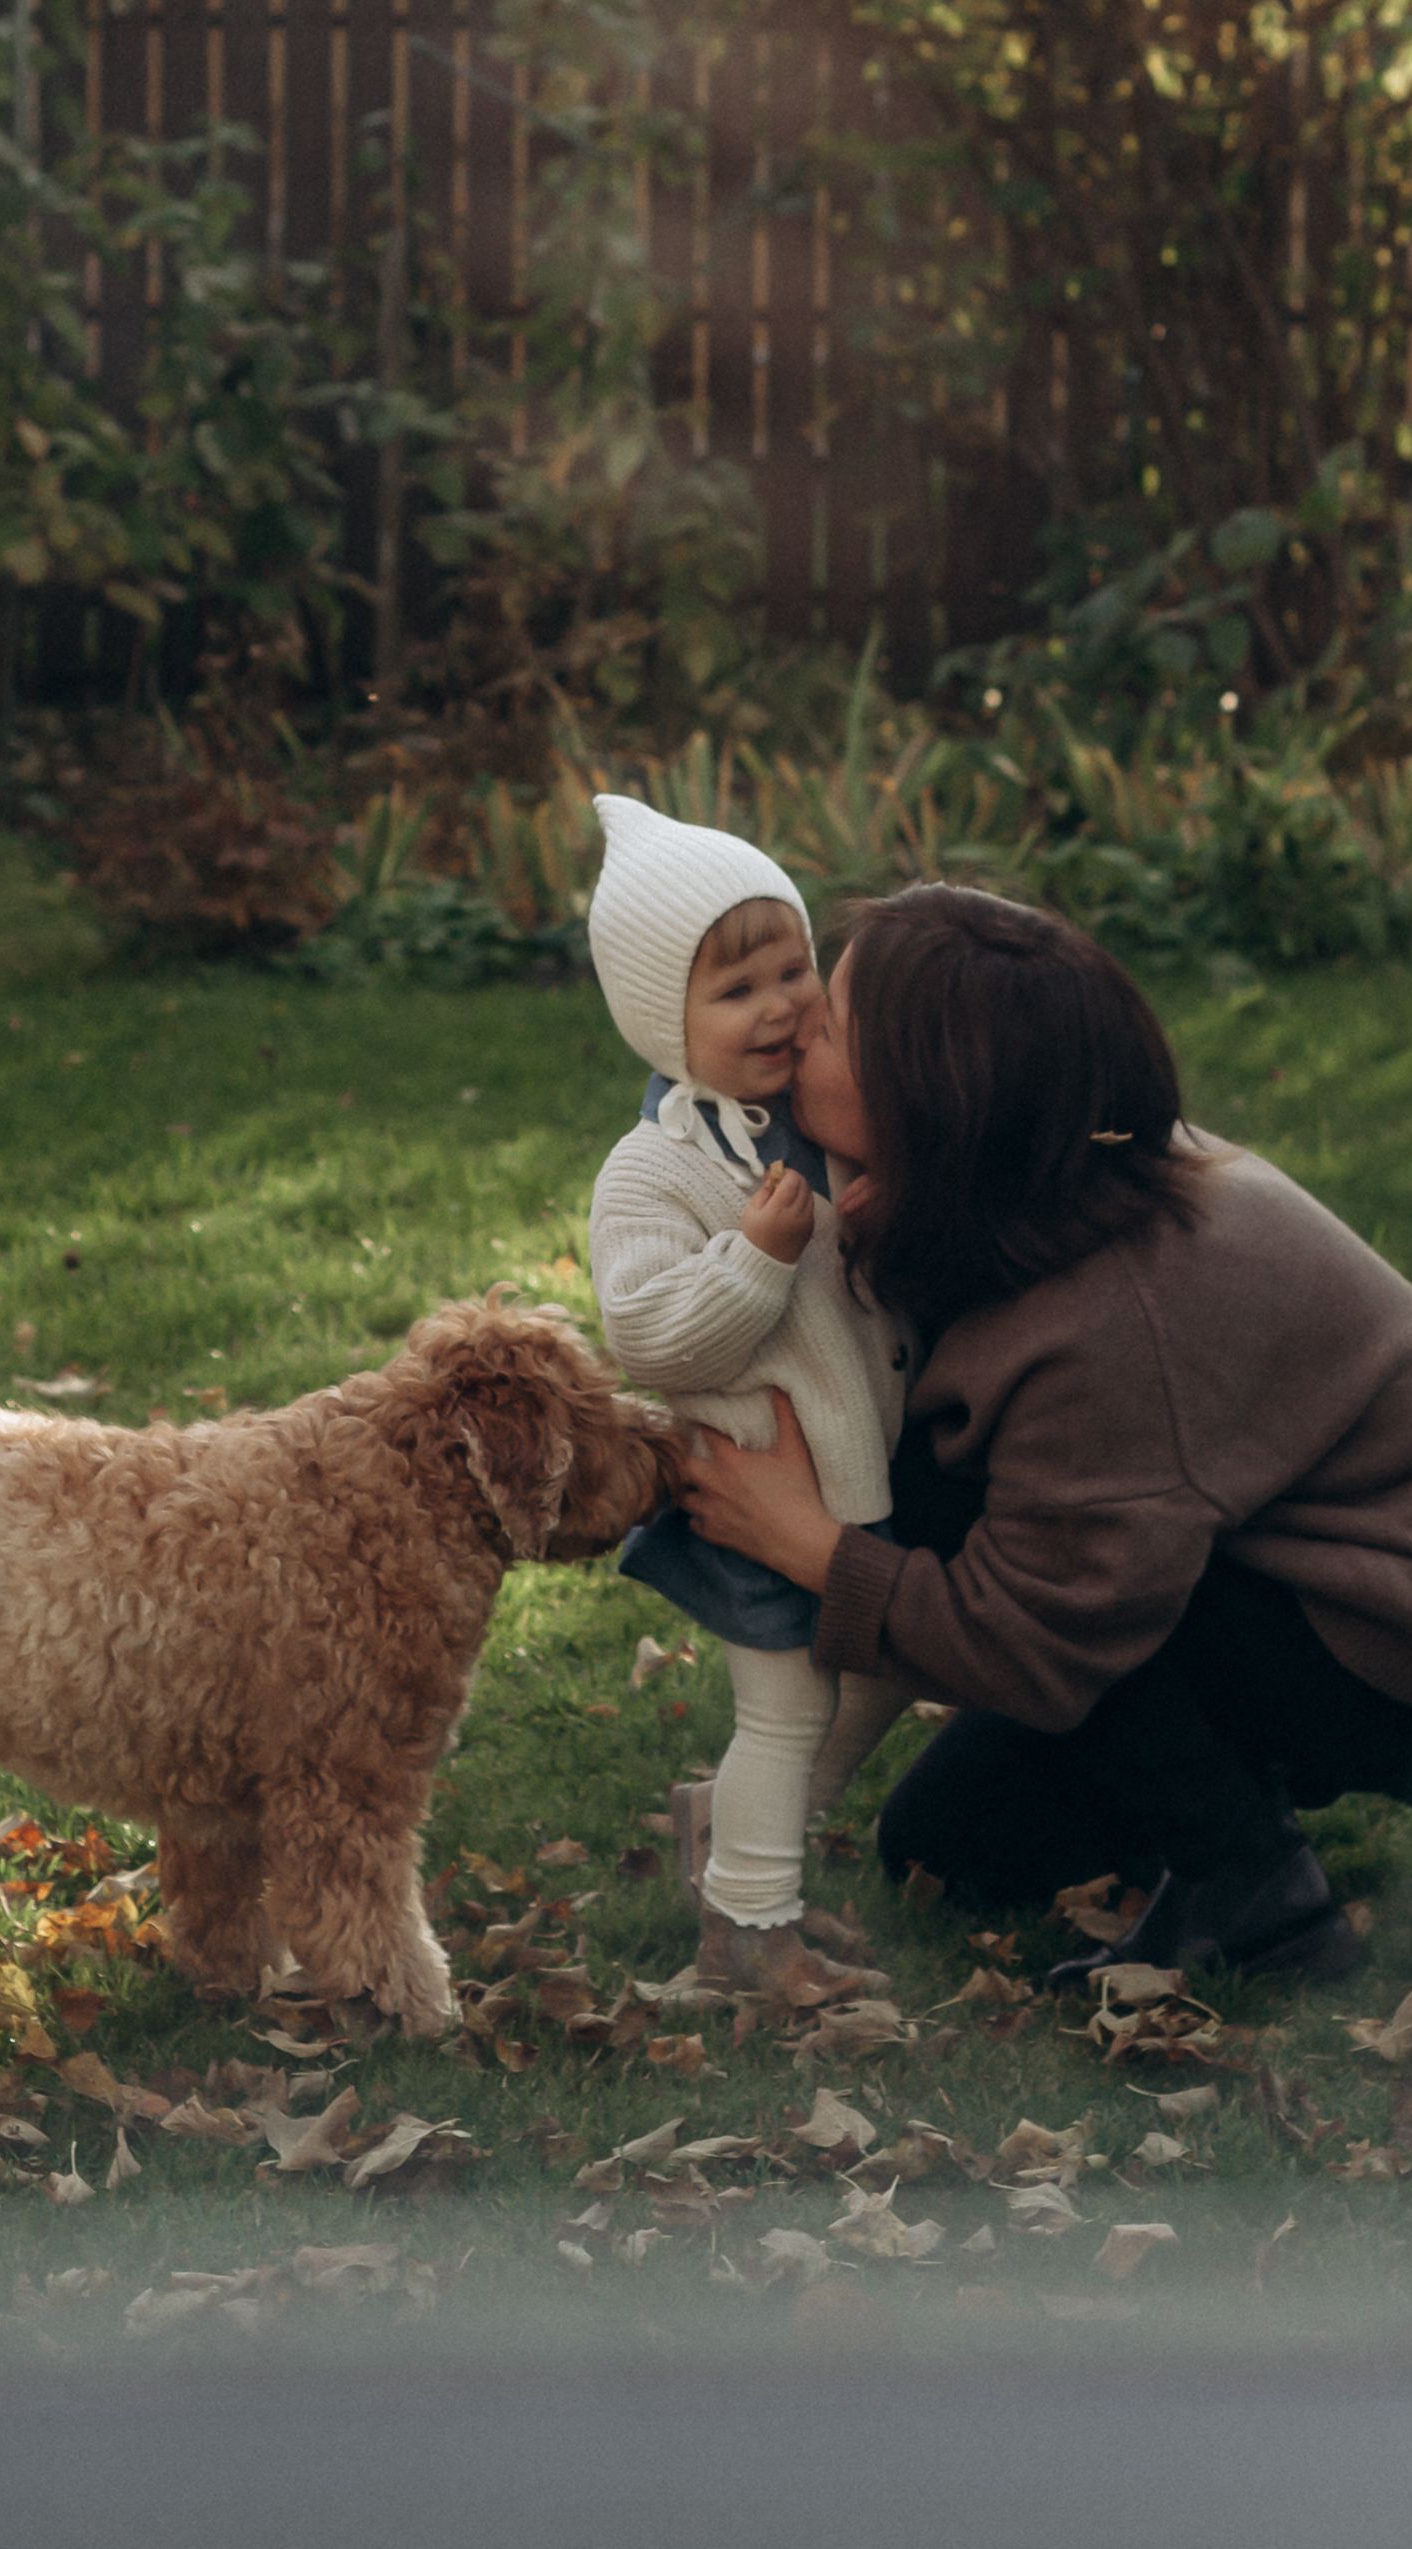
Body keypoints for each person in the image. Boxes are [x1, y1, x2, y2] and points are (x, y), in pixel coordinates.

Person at [674, 883, 1412, 1984]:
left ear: (932, 1100)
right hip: (1289, 1553)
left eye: (835, 1027)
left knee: (949, 1493)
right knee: (947, 1850)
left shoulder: (1104, 1320)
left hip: (1399, 1607)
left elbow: (1030, 1640)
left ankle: (1260, 1898)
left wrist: (804, 1543)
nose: (799, 1029)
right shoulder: (1040, 1169)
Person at [574, 795, 915, 1983]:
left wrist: (879, 1224)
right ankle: (749, 1938)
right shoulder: (654, 1170)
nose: (777, 1006)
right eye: (733, 992)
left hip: (856, 1478)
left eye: (791, 971)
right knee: (789, 1711)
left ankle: (725, 1830)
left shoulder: (811, 1129)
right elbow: (650, 1337)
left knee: (882, 1673)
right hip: (753, 1490)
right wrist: (755, 1260)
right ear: (659, 1025)